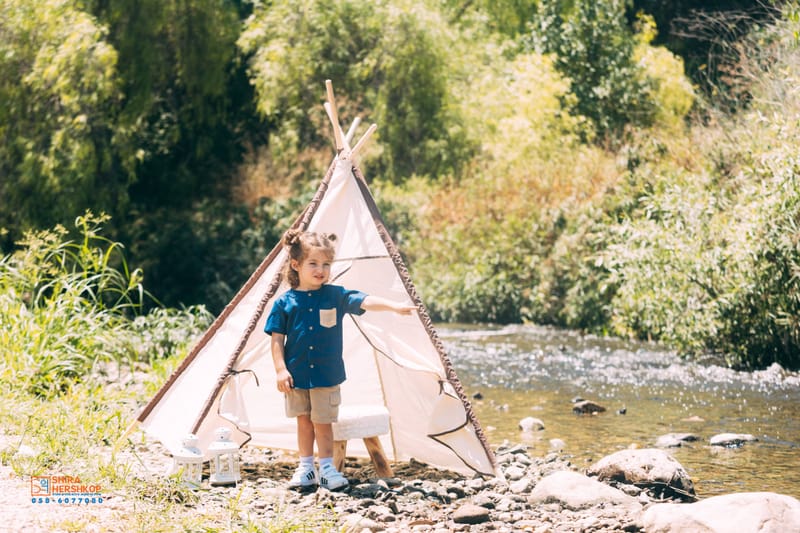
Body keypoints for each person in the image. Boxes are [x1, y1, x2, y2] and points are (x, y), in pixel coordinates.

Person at [264, 229, 415, 490]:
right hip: (297, 377)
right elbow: (276, 340)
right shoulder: (284, 302)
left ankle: (327, 469)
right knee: (303, 423)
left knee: (323, 423)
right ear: (296, 265)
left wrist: (394, 306)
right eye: (313, 263)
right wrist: (280, 370)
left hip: (326, 376)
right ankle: (305, 468)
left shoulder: (335, 295)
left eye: (326, 264)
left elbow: (365, 300)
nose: (320, 270)